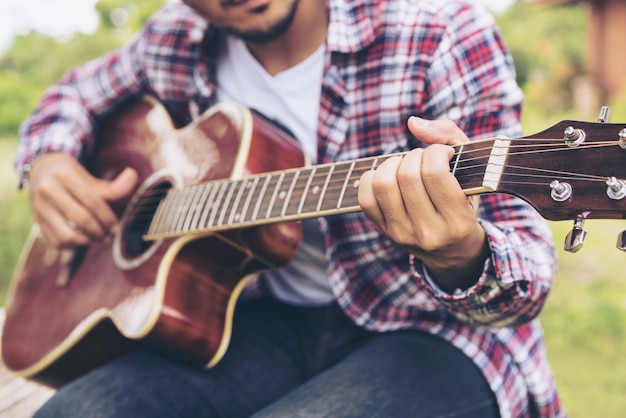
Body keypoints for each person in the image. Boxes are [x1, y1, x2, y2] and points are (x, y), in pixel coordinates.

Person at [14, 0, 565, 416]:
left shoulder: (439, 29)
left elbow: (528, 283)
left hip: (433, 328)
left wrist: (459, 254)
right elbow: (75, 93)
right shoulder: (176, 37)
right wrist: (48, 159)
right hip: (255, 322)